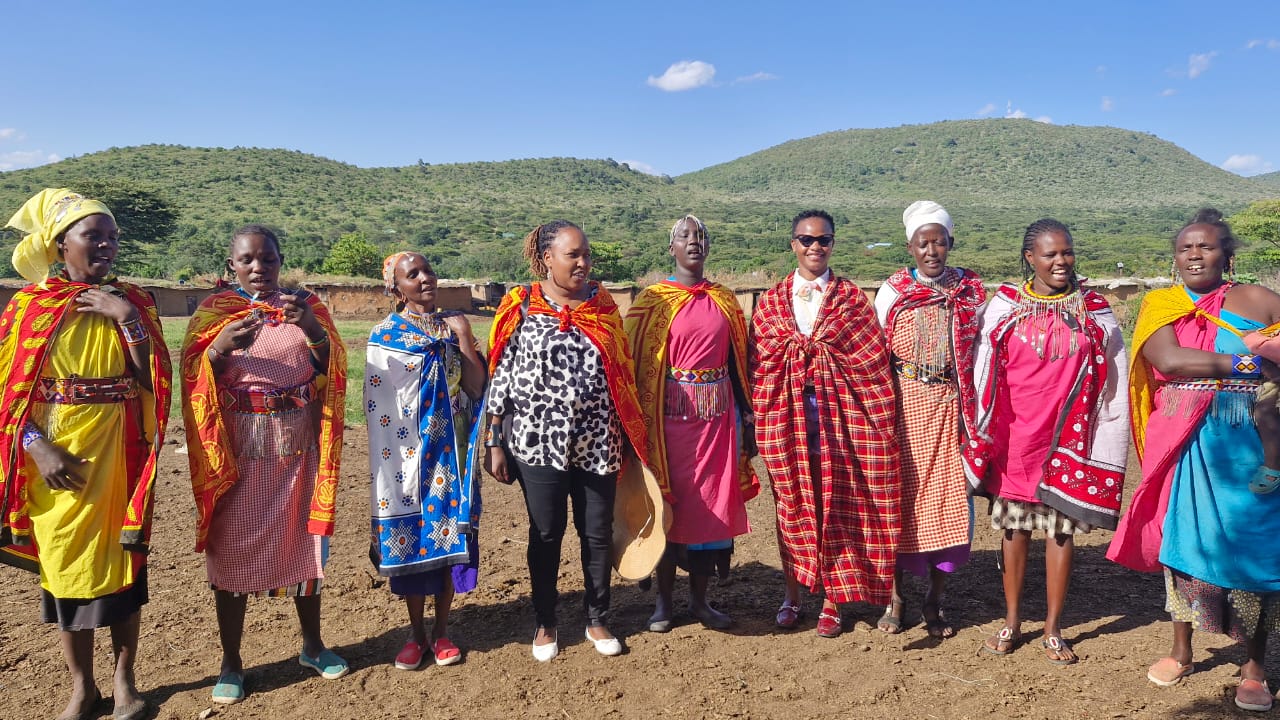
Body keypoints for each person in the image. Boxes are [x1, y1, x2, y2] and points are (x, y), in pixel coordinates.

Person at [0, 189, 171, 720]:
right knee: (63, 568)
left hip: (119, 447)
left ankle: (125, 683)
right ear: (60, 245)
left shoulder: (133, 301)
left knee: (123, 562)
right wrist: (37, 447)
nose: (107, 245)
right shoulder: (29, 309)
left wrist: (126, 319)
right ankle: (82, 687)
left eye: (113, 236)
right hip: (52, 454)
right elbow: (7, 392)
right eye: (93, 235)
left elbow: (153, 383)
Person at [1108, 209, 1280, 711]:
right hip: (1185, 440)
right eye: (1185, 248)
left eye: (1205, 247)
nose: (1194, 255)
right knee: (1181, 541)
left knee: (1257, 547)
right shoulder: (1161, 303)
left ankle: (1254, 667)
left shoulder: (1256, 299)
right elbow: (1170, 360)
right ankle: (1181, 650)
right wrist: (1253, 361)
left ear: (1227, 255)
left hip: (1251, 440)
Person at [181, 224, 347, 704]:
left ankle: (313, 645)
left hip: (298, 447)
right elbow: (191, 374)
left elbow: (329, 368)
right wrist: (217, 349)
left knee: (305, 546)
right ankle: (231, 662)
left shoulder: (307, 307)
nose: (259, 269)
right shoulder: (215, 313)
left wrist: (312, 330)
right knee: (230, 551)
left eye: (268, 259)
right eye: (247, 260)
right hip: (237, 455)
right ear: (231, 264)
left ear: (280, 261)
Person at [484, 220, 649, 661]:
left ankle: (597, 618)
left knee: (596, 534)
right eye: (573, 255)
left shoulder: (603, 305)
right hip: (538, 443)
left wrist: (630, 435)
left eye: (586, 254)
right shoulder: (520, 306)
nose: (583, 262)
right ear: (546, 258)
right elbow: (501, 374)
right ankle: (546, 621)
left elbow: (622, 370)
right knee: (545, 533)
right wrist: (494, 440)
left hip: (597, 440)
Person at [967, 218, 1128, 665]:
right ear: (1029, 258)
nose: (1060, 261)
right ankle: (1013, 621)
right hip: (1018, 438)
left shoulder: (1093, 307)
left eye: (1067, 252)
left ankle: (1054, 629)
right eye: (1050, 254)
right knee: (1014, 528)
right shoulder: (1004, 305)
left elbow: (1112, 374)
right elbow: (983, 370)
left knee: (1061, 533)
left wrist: (1104, 431)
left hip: (1070, 438)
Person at [751, 209, 900, 639]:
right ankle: (794, 595)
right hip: (786, 420)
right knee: (791, 507)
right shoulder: (771, 302)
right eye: (805, 239)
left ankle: (833, 600)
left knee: (836, 504)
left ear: (833, 244)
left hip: (843, 421)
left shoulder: (852, 300)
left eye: (823, 240)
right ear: (792, 244)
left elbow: (871, 363)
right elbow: (760, 365)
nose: (815, 247)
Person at [625, 215, 758, 633]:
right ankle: (663, 604)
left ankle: (701, 601)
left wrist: (747, 420)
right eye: (684, 237)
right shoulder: (652, 303)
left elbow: (740, 363)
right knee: (667, 509)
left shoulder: (724, 300)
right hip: (667, 430)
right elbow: (632, 364)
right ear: (672, 249)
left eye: (700, 237)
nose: (693, 242)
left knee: (710, 516)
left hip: (718, 425)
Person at [366, 252, 486, 670]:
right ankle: (415, 634)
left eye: (428, 270)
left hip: (450, 454)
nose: (424, 279)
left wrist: (465, 337)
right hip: (406, 457)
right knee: (415, 537)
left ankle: (442, 630)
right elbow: (379, 402)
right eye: (412, 274)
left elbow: (474, 388)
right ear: (395, 287)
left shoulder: (453, 327)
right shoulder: (385, 335)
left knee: (449, 536)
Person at [872, 201, 986, 639]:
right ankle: (894, 598)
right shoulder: (893, 291)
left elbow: (985, 352)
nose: (932, 250)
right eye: (924, 243)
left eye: (940, 242)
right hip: (902, 406)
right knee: (899, 498)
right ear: (910, 247)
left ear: (951, 243)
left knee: (952, 500)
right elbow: (875, 350)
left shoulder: (971, 291)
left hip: (954, 407)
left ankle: (935, 600)